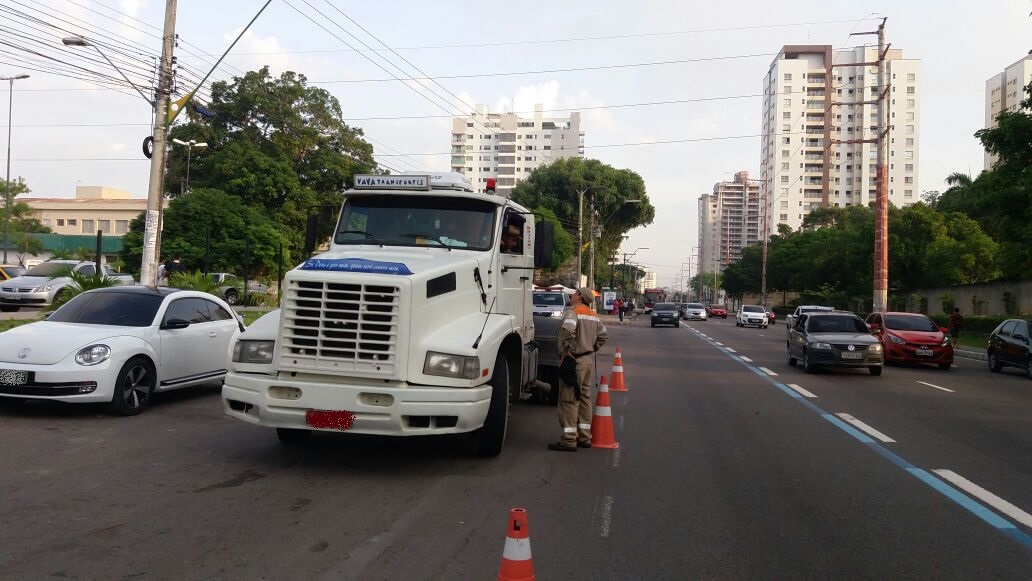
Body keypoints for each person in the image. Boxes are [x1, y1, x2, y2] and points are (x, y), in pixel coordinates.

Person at [549, 286, 609, 452]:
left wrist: (568, 350)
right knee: (584, 399)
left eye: (575, 293)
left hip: (574, 362)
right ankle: (585, 437)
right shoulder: (593, 315)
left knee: (569, 399)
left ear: (580, 296)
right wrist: (592, 348)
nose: (572, 295)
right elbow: (604, 336)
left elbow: (567, 330)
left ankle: (569, 440)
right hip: (587, 361)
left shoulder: (573, 312)